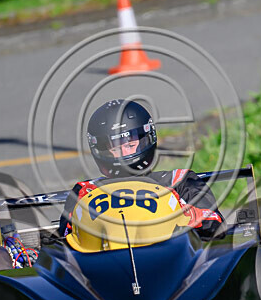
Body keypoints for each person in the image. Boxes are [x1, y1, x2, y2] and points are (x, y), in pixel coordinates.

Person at [59, 99, 223, 240]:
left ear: (147, 139)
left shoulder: (179, 181)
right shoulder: (85, 191)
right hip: (105, 266)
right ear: (100, 149)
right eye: (116, 148)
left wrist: (189, 218)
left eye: (130, 145)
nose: (124, 153)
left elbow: (214, 224)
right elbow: (64, 240)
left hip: (169, 260)